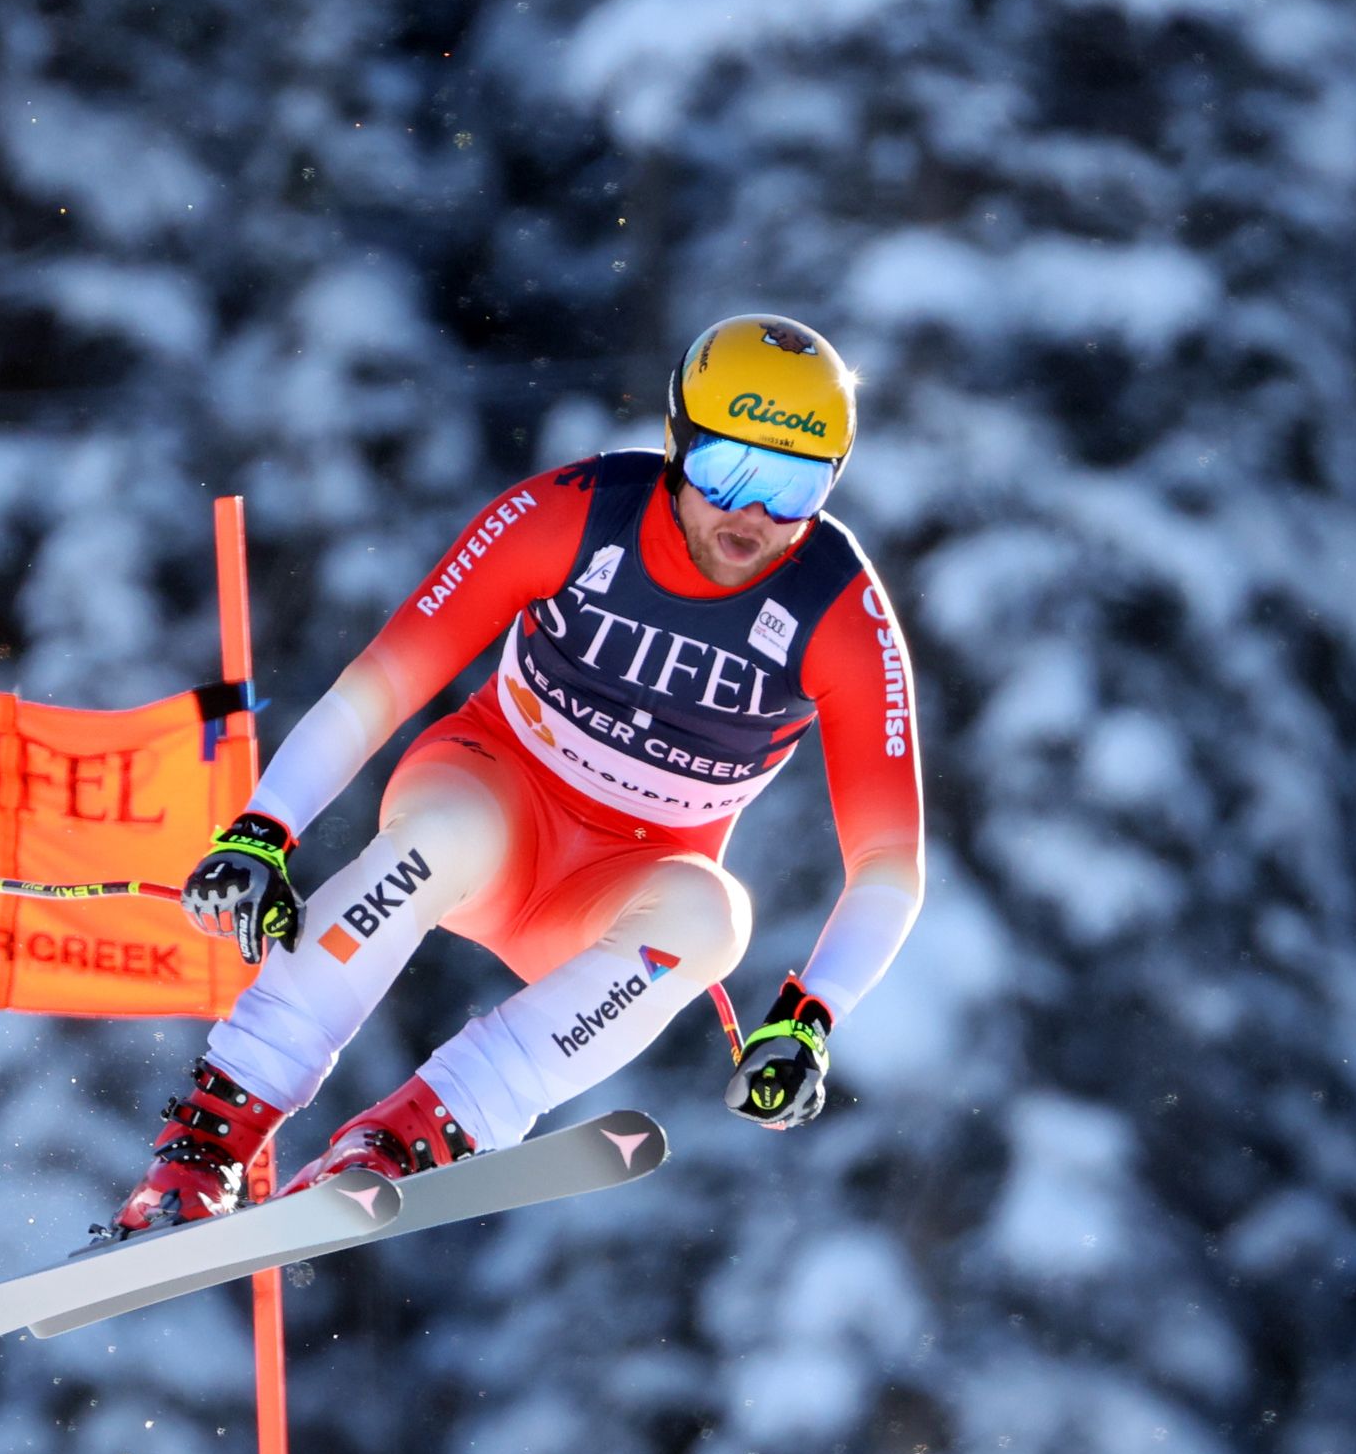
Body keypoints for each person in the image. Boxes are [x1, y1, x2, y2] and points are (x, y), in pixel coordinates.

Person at [105, 313, 925, 1234]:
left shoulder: (838, 609)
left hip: (618, 888)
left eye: (794, 485)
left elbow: (890, 868)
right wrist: (264, 826)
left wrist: (811, 1017)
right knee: (445, 837)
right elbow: (379, 686)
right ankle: (202, 1150)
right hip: (494, 792)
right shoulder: (572, 514)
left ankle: (406, 1138)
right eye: (727, 471)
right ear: (676, 444)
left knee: (714, 918)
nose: (754, 516)